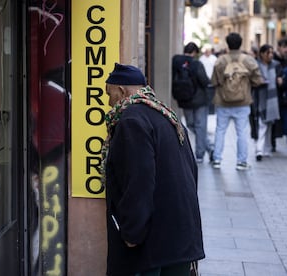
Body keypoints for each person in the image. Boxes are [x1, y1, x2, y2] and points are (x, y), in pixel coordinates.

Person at [102, 63, 204, 276]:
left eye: (109, 94)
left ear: (121, 91)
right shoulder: (165, 114)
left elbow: (138, 182)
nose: (109, 102)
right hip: (180, 236)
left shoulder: (131, 120)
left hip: (153, 244)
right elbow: (191, 170)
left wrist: (132, 232)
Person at [210, 32, 264, 170]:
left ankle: (217, 159)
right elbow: (258, 80)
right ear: (241, 43)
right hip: (243, 102)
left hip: (223, 101)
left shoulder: (221, 60)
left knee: (220, 130)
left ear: (227, 44)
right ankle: (241, 162)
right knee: (242, 132)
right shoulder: (248, 60)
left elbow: (214, 81)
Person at [172, 42, 213, 163]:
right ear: (195, 52)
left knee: (190, 124)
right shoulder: (197, 63)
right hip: (199, 100)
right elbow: (204, 81)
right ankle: (202, 153)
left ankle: (209, 148)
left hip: (185, 99)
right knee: (200, 126)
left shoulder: (176, 61)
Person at [250, 44, 281, 161]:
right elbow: (252, 81)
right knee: (262, 125)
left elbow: (279, 79)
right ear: (262, 54)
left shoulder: (276, 65)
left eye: (272, 53)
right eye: (268, 53)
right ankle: (259, 150)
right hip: (260, 99)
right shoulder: (256, 65)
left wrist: (280, 81)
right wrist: (259, 82)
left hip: (273, 100)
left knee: (269, 125)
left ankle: (266, 149)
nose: (271, 55)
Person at [274, 38, 287, 143]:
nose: (286, 50)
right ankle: (272, 142)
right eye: (284, 47)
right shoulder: (272, 60)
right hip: (276, 97)